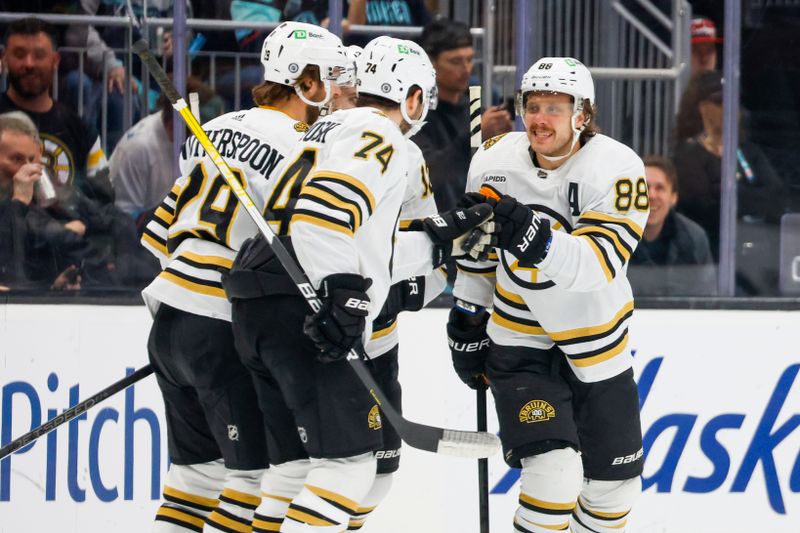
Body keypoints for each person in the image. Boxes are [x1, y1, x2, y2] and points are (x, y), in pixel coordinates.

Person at [225, 36, 493, 532]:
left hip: (257, 302)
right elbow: (322, 218)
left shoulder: (319, 127)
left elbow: (370, 241)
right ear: (412, 95)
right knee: (348, 470)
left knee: (297, 474)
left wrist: (439, 247)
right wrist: (345, 294)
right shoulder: (380, 136)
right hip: (306, 307)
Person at [139, 21, 351, 533]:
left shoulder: (211, 130)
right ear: (308, 83)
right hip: (223, 323)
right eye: (334, 79)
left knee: (195, 480)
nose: (341, 93)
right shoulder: (305, 145)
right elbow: (312, 240)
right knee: (254, 482)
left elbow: (156, 234)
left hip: (168, 321)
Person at [449, 57, 646, 532]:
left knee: (613, 492)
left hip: (597, 342)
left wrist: (526, 231)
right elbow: (478, 255)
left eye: (555, 108)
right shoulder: (493, 160)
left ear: (583, 114)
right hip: (519, 341)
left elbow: (596, 265)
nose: (540, 119)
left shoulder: (618, 168)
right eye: (532, 106)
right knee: (553, 473)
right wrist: (467, 317)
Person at [672, 70, 786, 264]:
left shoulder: (748, 151)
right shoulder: (687, 155)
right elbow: (703, 209)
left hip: (756, 249)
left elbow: (776, 197)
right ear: (702, 108)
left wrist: (727, 192)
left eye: (733, 101)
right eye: (719, 102)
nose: (729, 108)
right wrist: (748, 199)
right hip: (708, 255)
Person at [0, 17, 112, 205]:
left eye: (39, 55)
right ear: (4, 58)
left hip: (68, 229)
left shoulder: (81, 130)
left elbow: (103, 198)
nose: (29, 64)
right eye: (19, 54)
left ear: (55, 60)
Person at [414, 18, 513, 212]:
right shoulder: (415, 114)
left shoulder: (474, 109)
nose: (466, 69)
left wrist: (502, 142)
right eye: (455, 61)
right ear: (430, 63)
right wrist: (475, 134)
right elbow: (430, 176)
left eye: (469, 59)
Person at [0, 114, 85, 290]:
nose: (28, 168)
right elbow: (9, 277)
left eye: (31, 159)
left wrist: (53, 289)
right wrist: (19, 202)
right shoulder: (18, 207)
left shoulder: (33, 211)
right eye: (16, 159)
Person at [627, 155, 716, 296]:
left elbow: (706, 298)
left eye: (660, 188)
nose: (651, 195)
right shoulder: (615, 233)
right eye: (644, 187)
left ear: (673, 197)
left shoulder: (694, 238)